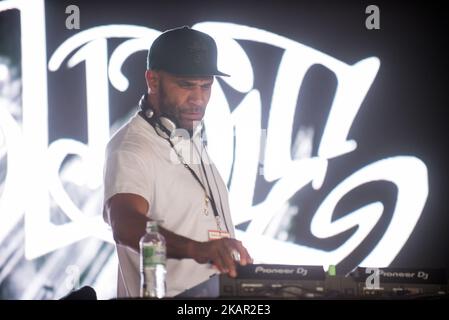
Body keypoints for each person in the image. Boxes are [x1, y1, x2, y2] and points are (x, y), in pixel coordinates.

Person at [102, 26, 253, 298]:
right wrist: (198, 249)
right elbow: (123, 223)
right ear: (153, 80)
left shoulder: (189, 141)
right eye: (186, 85)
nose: (198, 98)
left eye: (206, 86)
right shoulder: (133, 146)